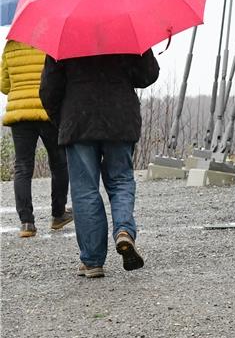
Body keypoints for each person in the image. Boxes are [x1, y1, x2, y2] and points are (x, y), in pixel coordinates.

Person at [40, 47, 159, 277]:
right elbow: (148, 75)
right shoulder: (124, 29)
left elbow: (49, 90)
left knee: (85, 190)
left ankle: (93, 261)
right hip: (120, 118)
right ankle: (124, 230)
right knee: (121, 180)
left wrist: (62, 120)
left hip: (79, 119)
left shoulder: (65, 37)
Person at [2, 40, 71, 238]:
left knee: (22, 167)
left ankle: (26, 222)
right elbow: (59, 78)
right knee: (59, 163)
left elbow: (4, 85)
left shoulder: (11, 46)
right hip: (47, 110)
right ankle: (58, 214)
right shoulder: (50, 41)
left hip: (20, 114)